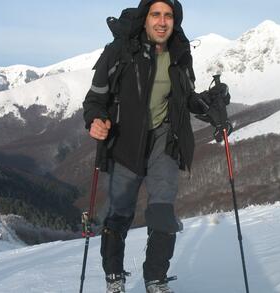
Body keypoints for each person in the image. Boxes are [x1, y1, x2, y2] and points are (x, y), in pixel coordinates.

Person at [83, 1, 230, 292]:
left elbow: (185, 97)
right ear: (145, 18)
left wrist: (210, 104)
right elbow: (94, 100)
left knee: (162, 212)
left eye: (168, 16)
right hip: (124, 142)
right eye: (156, 14)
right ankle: (114, 278)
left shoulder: (179, 53)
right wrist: (95, 121)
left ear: (175, 20)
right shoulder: (120, 51)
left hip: (164, 140)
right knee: (118, 214)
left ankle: (155, 280)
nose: (162, 22)